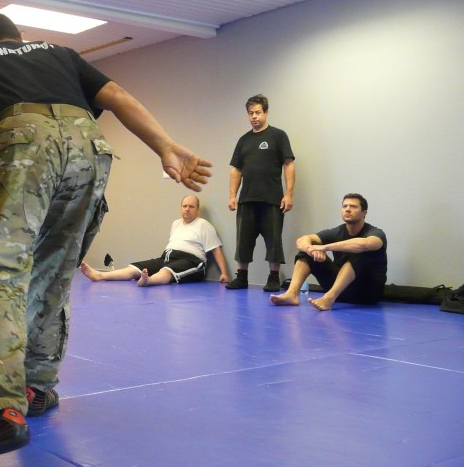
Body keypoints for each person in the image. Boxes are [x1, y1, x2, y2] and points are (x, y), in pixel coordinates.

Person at [0, 13, 212, 467]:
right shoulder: (58, 52)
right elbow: (117, 96)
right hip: (89, 146)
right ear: (19, 38)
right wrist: (164, 145)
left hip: (22, 139)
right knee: (54, 271)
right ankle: (37, 386)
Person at [226, 94, 295, 292]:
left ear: (266, 113)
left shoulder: (278, 136)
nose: (254, 117)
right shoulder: (244, 140)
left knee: (274, 241)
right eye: (251, 113)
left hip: (272, 200)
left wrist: (288, 194)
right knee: (243, 241)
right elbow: (236, 169)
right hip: (247, 199)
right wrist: (232, 196)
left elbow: (289, 164)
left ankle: (273, 278)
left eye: (257, 112)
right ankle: (241, 277)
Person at [79, 195, 229, 286]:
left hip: (192, 262)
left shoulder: (203, 225)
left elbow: (216, 249)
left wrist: (224, 273)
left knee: (166, 271)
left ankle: (148, 281)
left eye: (191, 206)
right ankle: (99, 275)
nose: (187, 209)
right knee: (135, 268)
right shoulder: (176, 223)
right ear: (181, 208)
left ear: (198, 210)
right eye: (184, 206)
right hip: (166, 258)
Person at [270, 193, 386, 311]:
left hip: (367, 293)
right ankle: (291, 294)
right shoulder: (337, 231)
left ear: (364, 213)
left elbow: (366, 244)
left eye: (353, 206)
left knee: (362, 252)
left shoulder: (375, 232)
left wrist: (324, 248)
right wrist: (311, 250)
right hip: (341, 291)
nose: (347, 209)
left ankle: (328, 298)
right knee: (307, 250)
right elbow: (302, 240)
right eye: (344, 206)